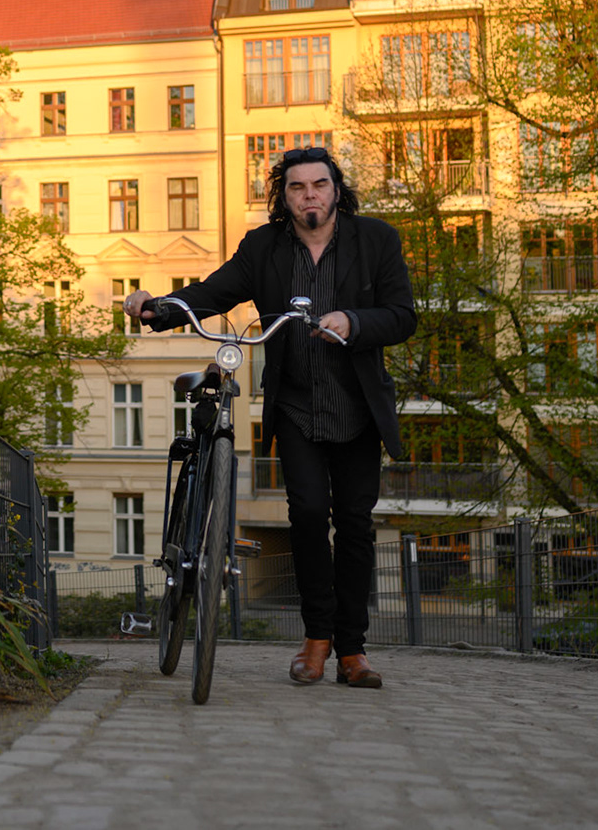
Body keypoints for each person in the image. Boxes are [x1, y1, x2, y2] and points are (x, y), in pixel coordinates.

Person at [123, 146, 415, 688]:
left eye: (320, 185)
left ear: (336, 189)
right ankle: (316, 639)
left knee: (355, 526)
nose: (311, 196)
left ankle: (353, 651)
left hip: (357, 410)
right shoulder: (263, 248)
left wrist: (354, 321)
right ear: (284, 196)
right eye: (298, 187)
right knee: (305, 516)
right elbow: (211, 293)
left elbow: (403, 316)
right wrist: (156, 306)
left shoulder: (376, 240)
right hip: (297, 406)